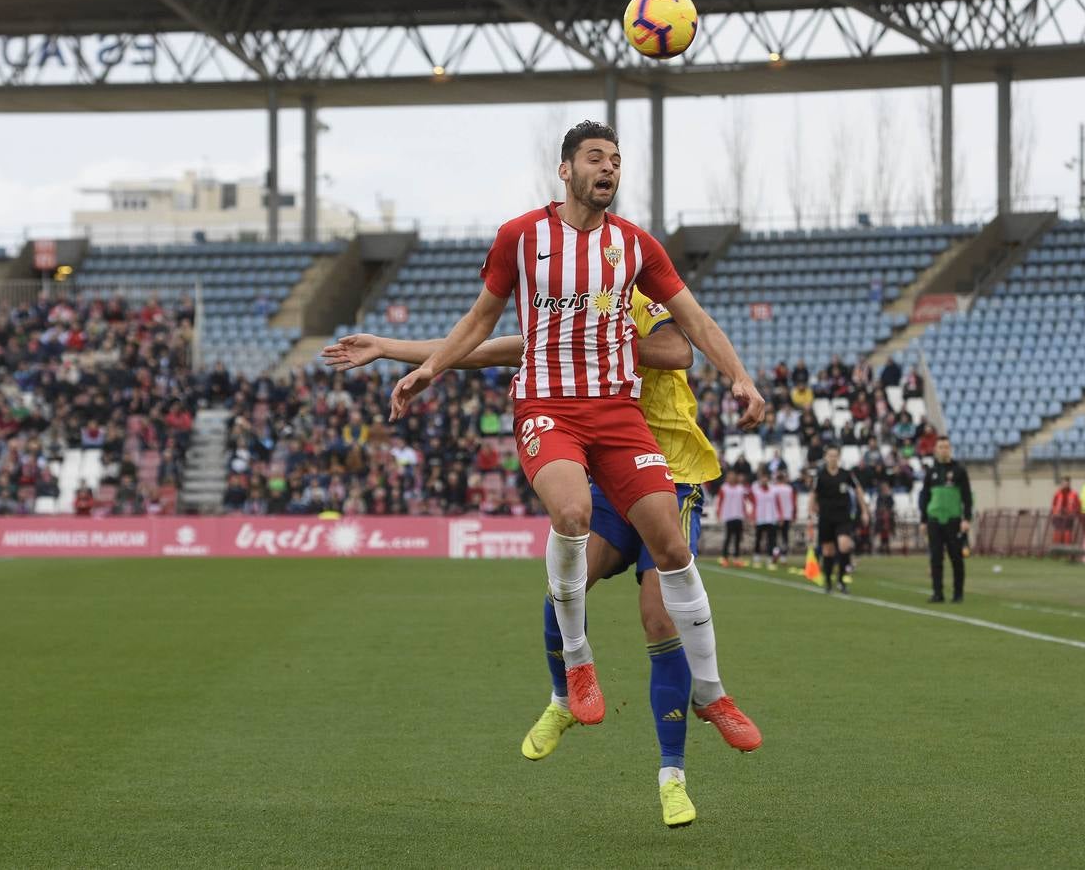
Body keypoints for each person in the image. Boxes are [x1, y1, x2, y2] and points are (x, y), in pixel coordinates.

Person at [361, 120, 765, 820]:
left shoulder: (635, 249)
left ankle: (710, 694)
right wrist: (424, 366)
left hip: (619, 417)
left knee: (670, 548)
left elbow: (691, 329)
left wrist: (742, 378)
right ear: (565, 170)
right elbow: (485, 323)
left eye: (616, 159)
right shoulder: (523, 237)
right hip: (549, 407)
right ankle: (576, 666)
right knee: (572, 514)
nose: (609, 168)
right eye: (595, 158)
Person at [325, 287, 761, 829]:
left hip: (670, 473)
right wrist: (391, 348)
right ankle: (562, 696)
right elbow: (486, 347)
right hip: (604, 477)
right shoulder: (561, 317)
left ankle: (672, 776)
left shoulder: (624, 294)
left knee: (658, 618)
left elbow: (678, 351)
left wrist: (603, 342)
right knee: (566, 578)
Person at [918, 435, 973, 603]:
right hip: (934, 519)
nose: (944, 450)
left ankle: (958, 593)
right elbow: (925, 497)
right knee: (935, 557)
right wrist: (923, 520)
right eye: (941, 447)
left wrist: (966, 518)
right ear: (935, 450)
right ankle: (937, 593)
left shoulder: (959, 471)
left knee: (956, 557)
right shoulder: (931, 472)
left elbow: (967, 497)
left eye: (946, 447)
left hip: (953, 519)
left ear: (950, 449)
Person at [808, 445, 870, 593]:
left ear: (839, 457)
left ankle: (841, 580)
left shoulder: (846, 474)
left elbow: (858, 490)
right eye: (830, 455)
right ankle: (828, 581)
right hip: (826, 516)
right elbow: (813, 494)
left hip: (843, 516)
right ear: (825, 457)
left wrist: (864, 510)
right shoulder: (820, 475)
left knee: (844, 545)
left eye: (835, 455)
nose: (833, 458)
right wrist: (811, 511)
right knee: (828, 551)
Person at [716, 471, 749, 568]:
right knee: (728, 538)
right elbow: (720, 501)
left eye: (733, 477)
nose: (731, 479)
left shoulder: (740, 488)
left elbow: (743, 502)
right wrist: (718, 513)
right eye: (729, 477)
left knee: (738, 538)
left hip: (738, 516)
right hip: (728, 516)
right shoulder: (724, 488)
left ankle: (736, 558)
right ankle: (725, 558)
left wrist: (745, 514)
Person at [749, 469, 779, 568]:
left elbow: (778, 503)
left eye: (766, 478)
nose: (764, 480)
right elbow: (753, 504)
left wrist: (780, 515)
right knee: (758, 539)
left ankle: (770, 559)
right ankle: (757, 558)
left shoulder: (774, 490)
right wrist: (753, 517)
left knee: (771, 540)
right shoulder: (756, 490)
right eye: (762, 478)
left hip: (771, 518)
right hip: (760, 518)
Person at [771, 470, 797, 565]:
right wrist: (794, 515)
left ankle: (775, 552)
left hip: (775, 515)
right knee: (784, 536)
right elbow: (793, 502)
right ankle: (783, 557)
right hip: (787, 515)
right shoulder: (789, 488)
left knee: (774, 536)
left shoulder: (773, 489)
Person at [1050, 476, 1081, 544]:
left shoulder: (1073, 494)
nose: (1066, 485)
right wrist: (1054, 513)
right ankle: (1057, 548)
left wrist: (1075, 512)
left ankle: (1067, 548)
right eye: (1064, 483)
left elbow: (1078, 504)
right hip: (1058, 516)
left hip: (1069, 517)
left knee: (1067, 532)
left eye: (1067, 483)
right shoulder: (1058, 493)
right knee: (1058, 532)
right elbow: (1054, 504)